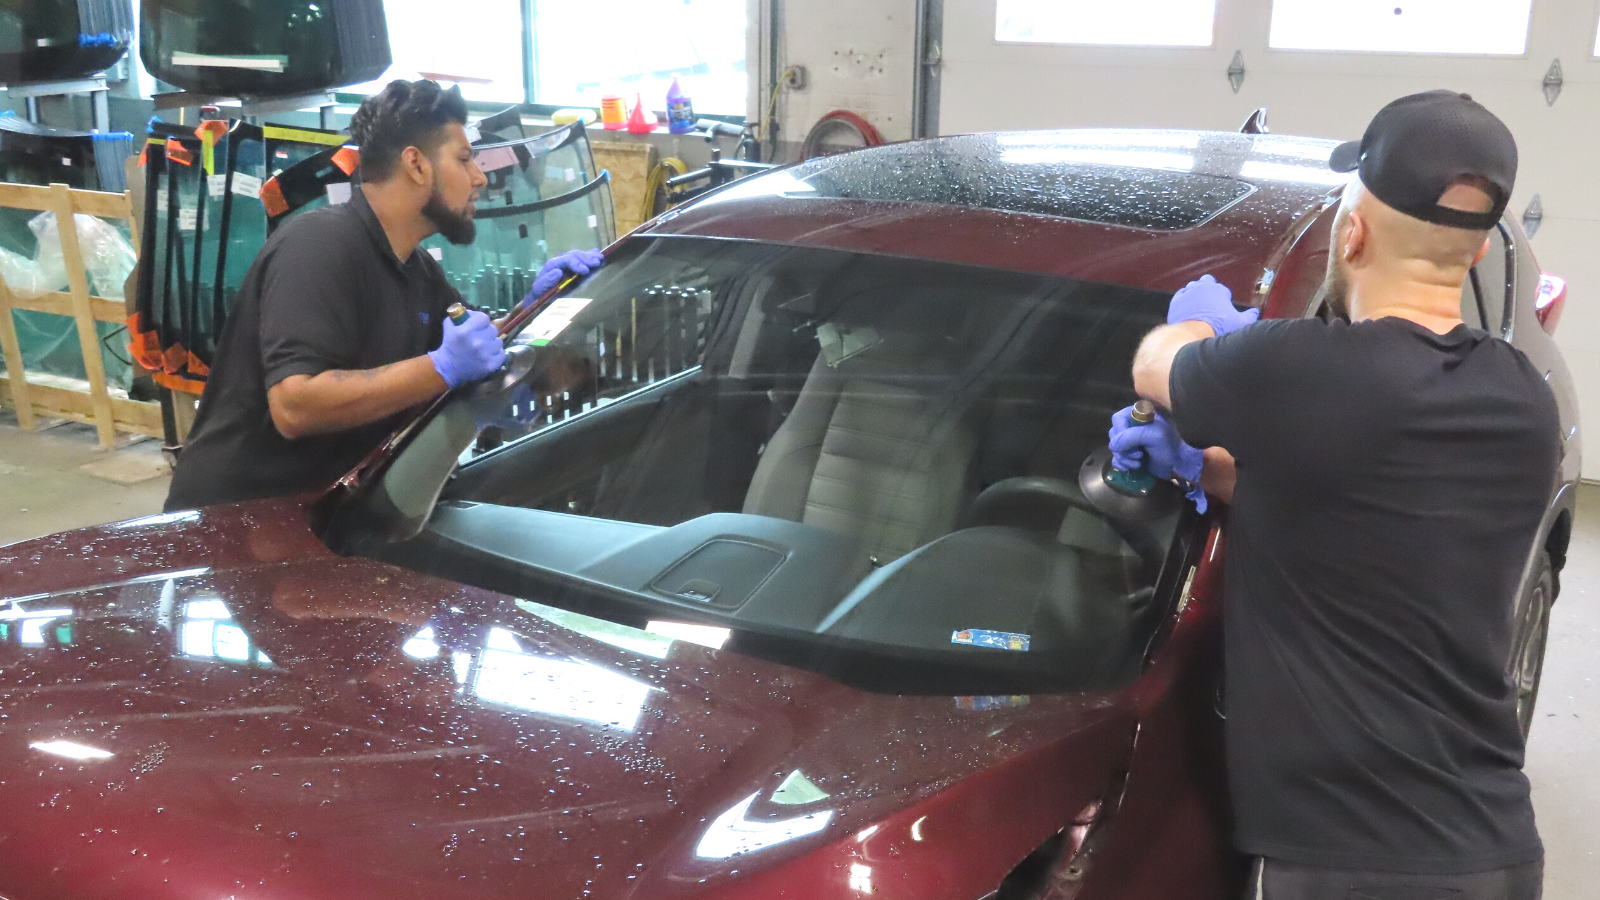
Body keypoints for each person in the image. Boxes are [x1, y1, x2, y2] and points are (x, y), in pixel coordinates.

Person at [1110, 91, 1555, 899]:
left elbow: (1152, 366)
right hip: (1493, 850)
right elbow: (1360, 507)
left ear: (1352, 234)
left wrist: (1203, 333)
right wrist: (1201, 469)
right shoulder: (1520, 396)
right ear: (1478, 249)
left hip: (1344, 862)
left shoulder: (1295, 369)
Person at [165, 80, 603, 511]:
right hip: (235, 522)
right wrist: (442, 368)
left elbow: (479, 349)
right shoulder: (318, 246)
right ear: (416, 165)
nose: (478, 178)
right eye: (465, 159)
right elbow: (295, 405)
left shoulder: (416, 268)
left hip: (328, 512)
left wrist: (534, 306)